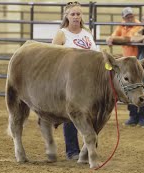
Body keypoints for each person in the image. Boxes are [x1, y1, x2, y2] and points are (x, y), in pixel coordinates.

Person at [52, 1, 98, 160]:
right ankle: (72, 150)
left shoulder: (87, 31)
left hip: (89, 79)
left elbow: (94, 52)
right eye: (73, 14)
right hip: (69, 80)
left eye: (78, 14)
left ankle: (88, 148)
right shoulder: (62, 34)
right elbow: (53, 57)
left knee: (91, 114)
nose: (76, 17)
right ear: (67, 16)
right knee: (72, 114)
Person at [106, 7, 144, 126]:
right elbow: (112, 36)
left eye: (131, 16)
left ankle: (142, 117)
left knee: (139, 89)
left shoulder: (138, 25)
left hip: (137, 61)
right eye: (127, 17)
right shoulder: (122, 25)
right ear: (123, 18)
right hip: (127, 61)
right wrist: (113, 38)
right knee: (129, 89)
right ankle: (133, 116)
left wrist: (116, 39)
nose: (129, 18)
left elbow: (129, 38)